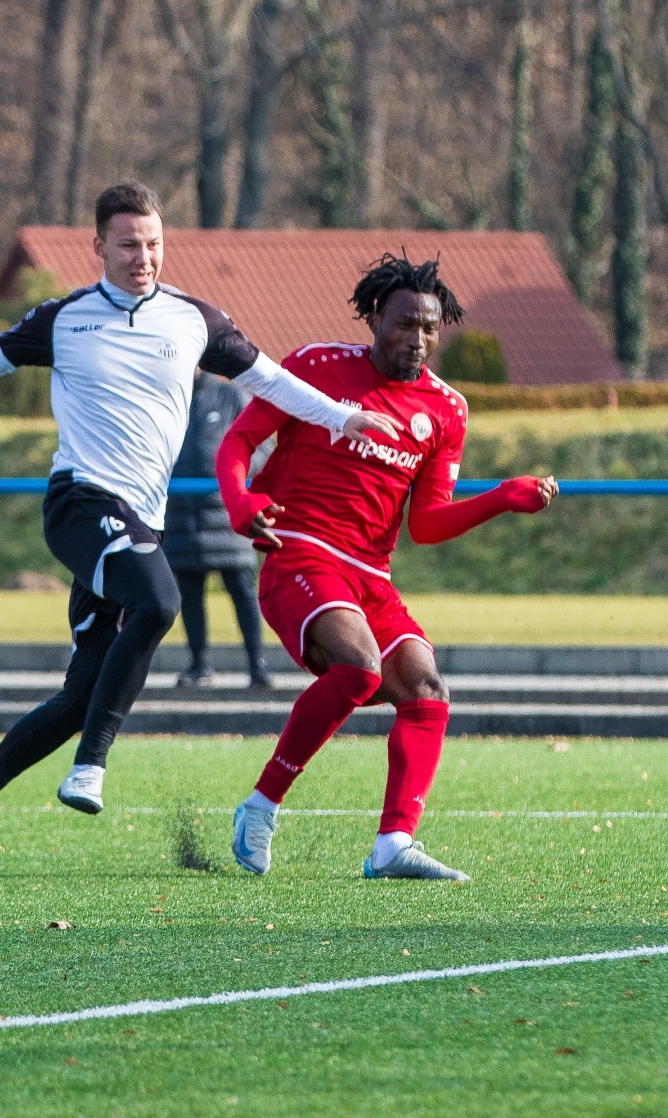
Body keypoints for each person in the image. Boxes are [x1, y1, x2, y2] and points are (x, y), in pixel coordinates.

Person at [0, 180, 400, 876]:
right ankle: (92, 764)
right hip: (79, 503)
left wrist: (343, 417)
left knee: (81, 695)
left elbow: (270, 379)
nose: (144, 258)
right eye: (130, 245)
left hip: (142, 522)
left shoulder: (194, 320)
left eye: (153, 244)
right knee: (161, 602)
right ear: (100, 247)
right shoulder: (65, 318)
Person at [215, 252, 557, 881]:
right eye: (405, 324)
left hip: (371, 575)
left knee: (426, 689)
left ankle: (393, 845)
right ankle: (261, 806)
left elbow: (426, 524)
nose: (418, 339)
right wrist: (241, 503)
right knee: (359, 667)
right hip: (299, 551)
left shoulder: (446, 410)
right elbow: (239, 440)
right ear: (374, 318)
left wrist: (502, 498)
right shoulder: (315, 366)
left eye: (429, 328)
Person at [165, 372, 273, 689]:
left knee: (242, 593)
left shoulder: (232, 396)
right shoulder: (165, 396)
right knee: (189, 595)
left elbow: (263, 447)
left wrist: (232, 474)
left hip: (228, 517)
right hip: (179, 517)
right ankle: (199, 665)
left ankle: (258, 665)